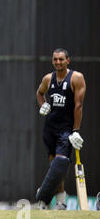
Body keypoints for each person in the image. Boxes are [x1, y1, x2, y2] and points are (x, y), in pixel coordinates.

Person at [35, 48, 86, 210]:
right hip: (50, 128)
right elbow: (39, 93)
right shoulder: (48, 79)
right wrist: (43, 105)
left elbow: (78, 106)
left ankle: (45, 197)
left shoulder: (76, 78)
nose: (58, 62)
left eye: (61, 59)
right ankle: (60, 201)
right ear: (52, 61)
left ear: (68, 61)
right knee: (53, 165)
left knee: (60, 163)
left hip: (66, 129)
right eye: (55, 59)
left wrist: (76, 130)